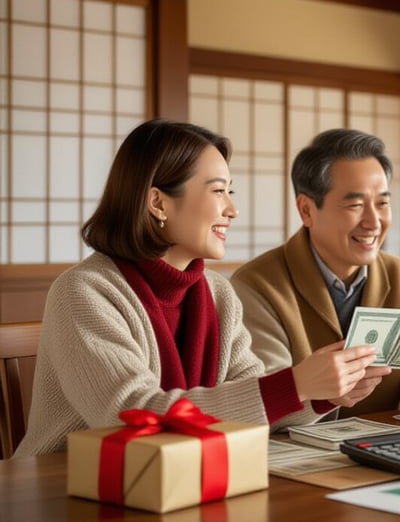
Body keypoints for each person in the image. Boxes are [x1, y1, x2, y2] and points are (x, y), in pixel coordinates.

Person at [15, 120, 381, 456]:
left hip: (180, 481)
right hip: (67, 485)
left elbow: (253, 405)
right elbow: (131, 418)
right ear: (158, 202)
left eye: (230, 191)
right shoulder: (84, 292)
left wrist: (319, 393)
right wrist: (295, 384)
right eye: (219, 191)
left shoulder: (218, 293)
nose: (233, 209)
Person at [231, 128, 400, 418]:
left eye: (382, 203)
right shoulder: (257, 285)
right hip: (295, 456)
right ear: (307, 210)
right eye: (355, 205)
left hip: (385, 451)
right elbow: (263, 402)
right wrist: (324, 396)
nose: (373, 222)